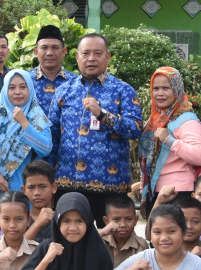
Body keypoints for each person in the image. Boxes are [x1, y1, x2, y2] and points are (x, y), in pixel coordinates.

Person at [49, 33, 143, 223]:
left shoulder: (123, 90)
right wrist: (50, 179)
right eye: (86, 53)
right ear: (77, 56)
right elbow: (52, 137)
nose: (91, 58)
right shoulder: (64, 91)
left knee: (110, 243)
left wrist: (103, 115)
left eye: (97, 53)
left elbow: (135, 128)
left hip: (111, 187)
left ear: (108, 56)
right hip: (69, 185)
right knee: (68, 243)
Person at [139, 66, 201, 208]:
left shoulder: (187, 119)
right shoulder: (155, 119)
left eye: (166, 88)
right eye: (156, 88)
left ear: (176, 89)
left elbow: (200, 156)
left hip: (178, 192)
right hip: (156, 191)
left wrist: (170, 141)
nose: (160, 93)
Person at [0, 69, 53, 192]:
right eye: (12, 88)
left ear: (30, 89)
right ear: (5, 90)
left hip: (27, 190)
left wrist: (24, 123)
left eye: (23, 87)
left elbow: (46, 149)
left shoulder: (37, 116)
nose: (17, 92)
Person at [28, 24, 73, 117]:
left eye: (55, 48)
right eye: (44, 48)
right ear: (36, 52)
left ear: (64, 52)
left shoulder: (74, 83)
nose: (49, 53)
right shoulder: (24, 81)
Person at [99, 195, 146, 268]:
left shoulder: (141, 246)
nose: (123, 225)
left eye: (128, 219)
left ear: (136, 220)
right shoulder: (99, 238)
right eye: (116, 219)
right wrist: (103, 232)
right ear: (106, 221)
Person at [21, 159, 58, 243]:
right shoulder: (19, 219)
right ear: (24, 190)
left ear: (54, 187)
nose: (37, 193)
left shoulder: (61, 219)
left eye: (42, 186)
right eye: (31, 187)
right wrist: (37, 224)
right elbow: (15, 250)